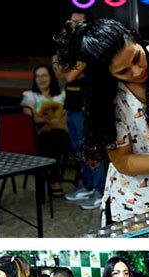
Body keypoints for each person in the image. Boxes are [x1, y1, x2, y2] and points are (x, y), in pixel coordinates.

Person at [55, 18, 149, 225]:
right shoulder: (107, 102)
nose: (137, 71)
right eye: (123, 71)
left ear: (137, 40)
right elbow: (123, 161)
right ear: (107, 74)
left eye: (137, 57)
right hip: (136, 205)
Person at [57, 10, 106, 210]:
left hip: (86, 108)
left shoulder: (89, 48)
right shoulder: (74, 49)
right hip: (72, 106)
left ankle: (100, 191)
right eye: (71, 20)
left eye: (77, 21)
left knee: (91, 150)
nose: (72, 23)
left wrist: (70, 70)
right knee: (79, 152)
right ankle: (87, 186)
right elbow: (60, 72)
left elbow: (67, 76)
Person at [20, 64, 69, 197]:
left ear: (51, 77)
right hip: (39, 133)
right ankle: (55, 182)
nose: (41, 79)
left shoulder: (62, 95)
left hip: (62, 132)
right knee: (50, 140)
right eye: (38, 76)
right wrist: (48, 121)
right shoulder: (30, 95)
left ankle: (47, 177)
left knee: (56, 138)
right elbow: (30, 116)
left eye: (44, 75)